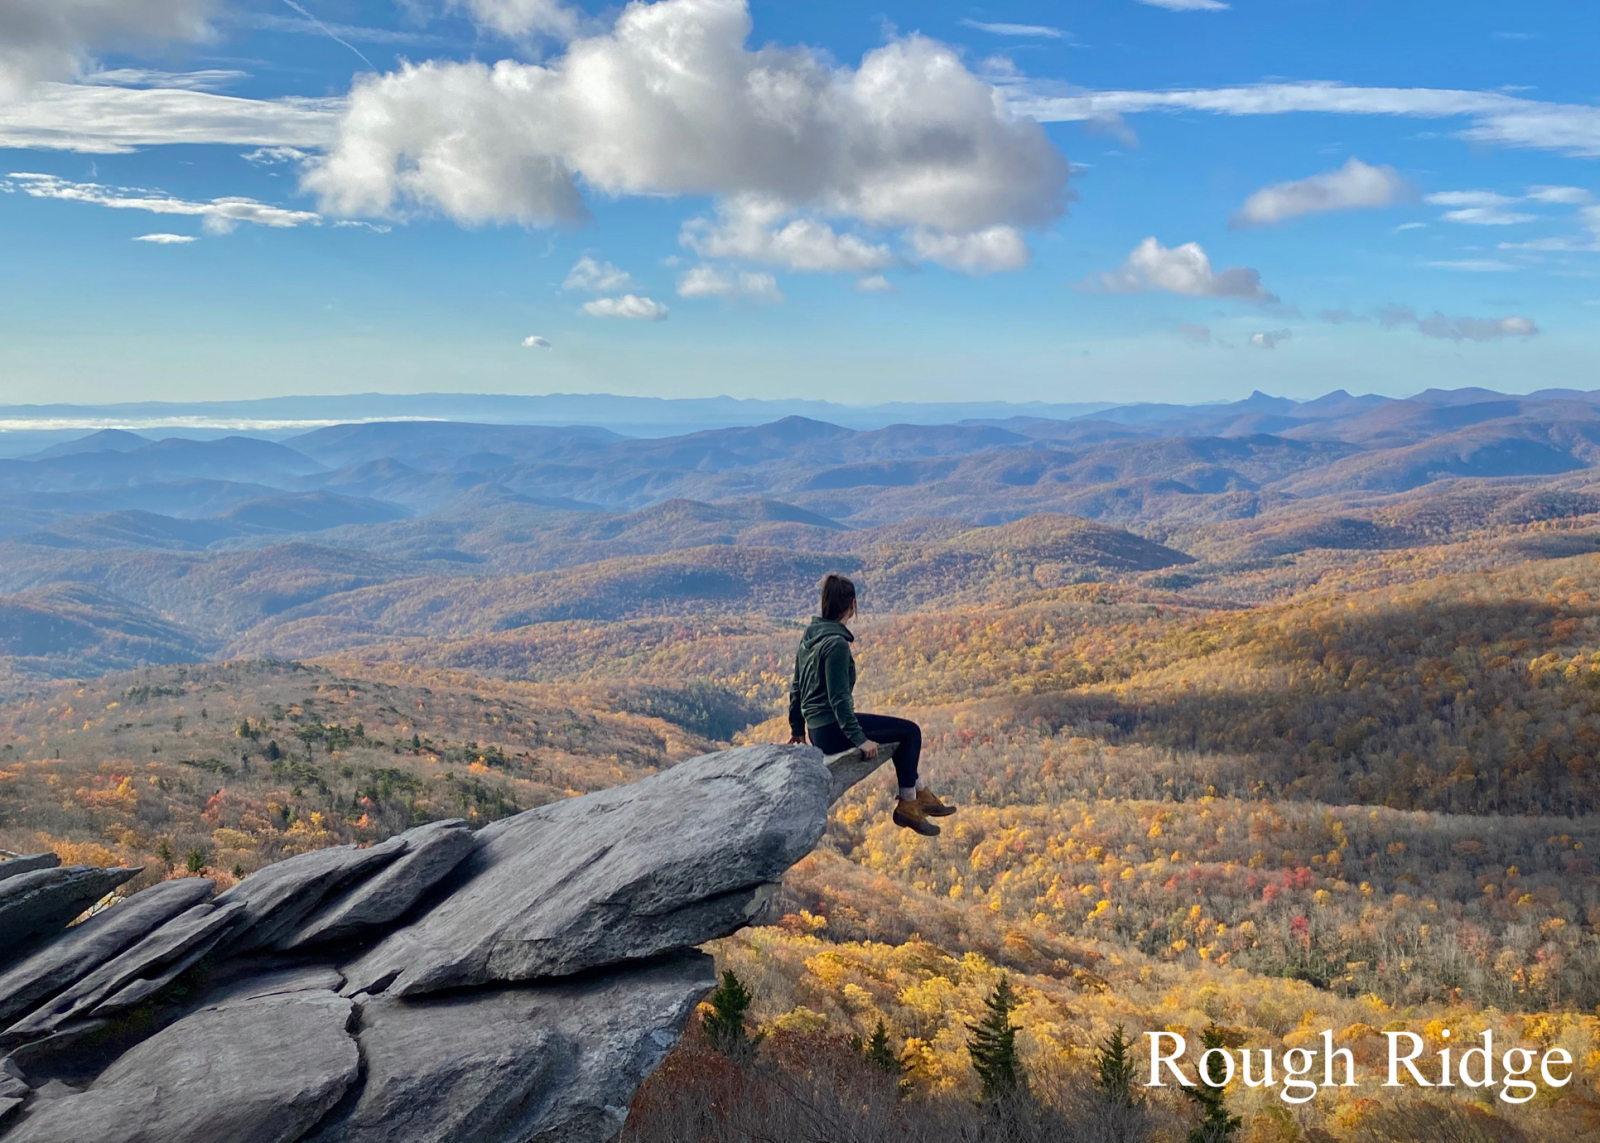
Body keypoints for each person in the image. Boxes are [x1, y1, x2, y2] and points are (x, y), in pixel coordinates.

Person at [787, 573, 955, 836]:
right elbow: (839, 700)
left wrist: (797, 729)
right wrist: (859, 739)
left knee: (900, 733)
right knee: (910, 732)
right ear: (853, 605)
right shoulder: (836, 644)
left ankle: (919, 794)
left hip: (817, 730)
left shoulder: (810, 636)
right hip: (833, 729)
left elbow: (797, 686)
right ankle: (908, 805)